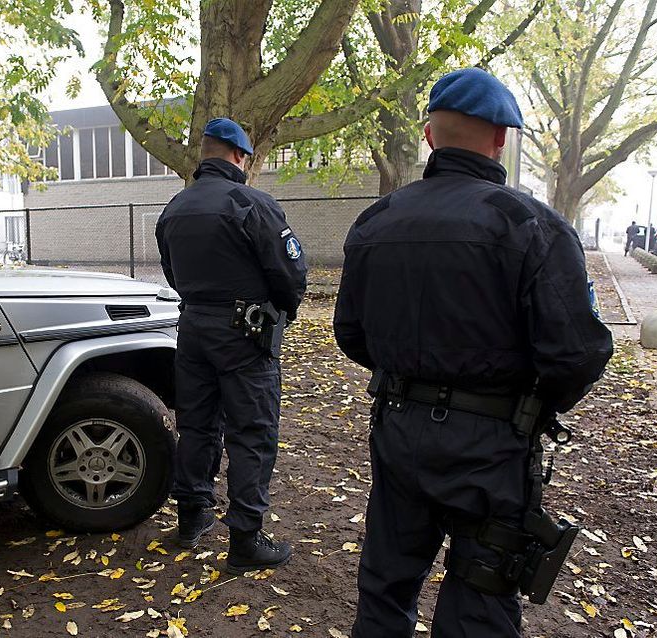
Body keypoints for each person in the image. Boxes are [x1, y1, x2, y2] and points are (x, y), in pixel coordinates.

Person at [333, 68, 613, 637]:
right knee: (480, 603)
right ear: (500, 139)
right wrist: (530, 403)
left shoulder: (376, 222)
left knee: (385, 587)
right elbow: (577, 353)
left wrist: (410, 372)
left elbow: (351, 334)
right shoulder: (534, 226)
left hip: (400, 430)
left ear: (430, 137)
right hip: (492, 443)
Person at [155, 117, 308, 574]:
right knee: (252, 431)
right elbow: (290, 273)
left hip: (193, 327)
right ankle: (245, 538)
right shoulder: (250, 202)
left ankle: (192, 517)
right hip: (244, 331)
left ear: (205, 154)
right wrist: (281, 311)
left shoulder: (175, 208)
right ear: (241, 156)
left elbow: (171, 272)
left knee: (197, 424)